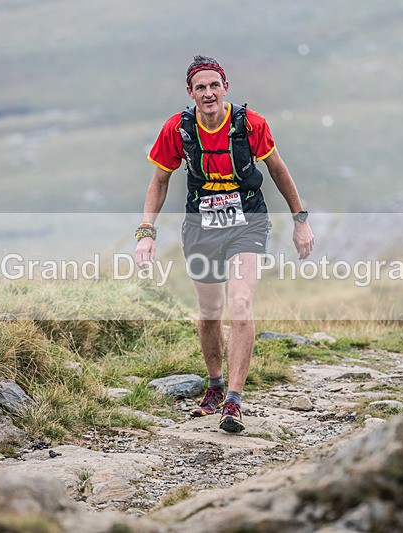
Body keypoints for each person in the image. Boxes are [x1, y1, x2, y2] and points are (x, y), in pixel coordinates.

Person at [135, 55, 314, 433]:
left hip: (247, 222)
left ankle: (233, 400)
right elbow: (160, 181)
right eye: (200, 87)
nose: (208, 93)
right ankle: (214, 385)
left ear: (225, 88)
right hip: (201, 226)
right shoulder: (178, 129)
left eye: (214, 85)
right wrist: (146, 233)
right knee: (209, 311)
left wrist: (300, 222)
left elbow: (278, 170)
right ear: (191, 93)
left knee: (240, 302)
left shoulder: (251, 124)